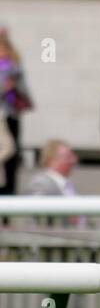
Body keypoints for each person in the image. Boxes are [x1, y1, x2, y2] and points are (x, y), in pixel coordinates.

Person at [0, 31, 32, 196]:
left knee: (11, 156)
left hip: (11, 114)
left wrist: (15, 87)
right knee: (6, 149)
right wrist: (4, 88)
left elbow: (25, 92)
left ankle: (9, 192)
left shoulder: (15, 68)